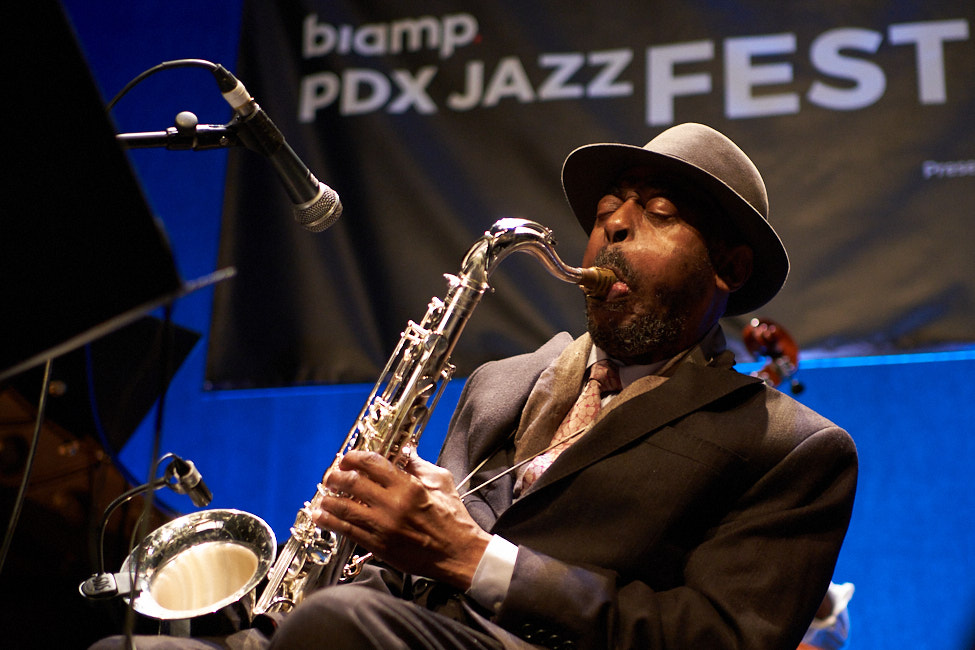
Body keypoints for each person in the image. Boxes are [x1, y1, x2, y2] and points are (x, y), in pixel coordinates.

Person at [93, 123, 858, 649]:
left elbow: (714, 638)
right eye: (604, 213)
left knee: (344, 628)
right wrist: (376, 533)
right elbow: (406, 578)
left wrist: (472, 556)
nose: (612, 229)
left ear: (731, 268)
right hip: (392, 630)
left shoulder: (792, 449)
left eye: (656, 213)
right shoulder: (503, 382)